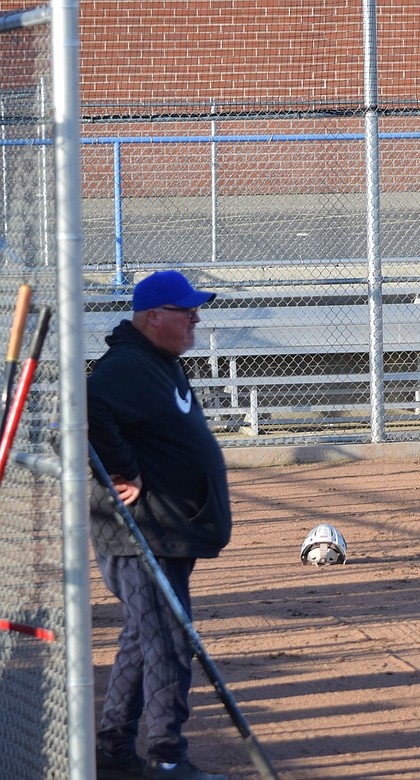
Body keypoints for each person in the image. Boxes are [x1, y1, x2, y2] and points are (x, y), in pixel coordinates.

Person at [89, 270, 232, 780]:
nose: (196, 317)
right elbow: (87, 407)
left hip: (162, 529)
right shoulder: (127, 364)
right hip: (140, 534)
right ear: (154, 317)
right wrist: (121, 470)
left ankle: (111, 750)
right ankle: (167, 758)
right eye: (185, 309)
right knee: (168, 643)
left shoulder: (158, 362)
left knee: (141, 639)